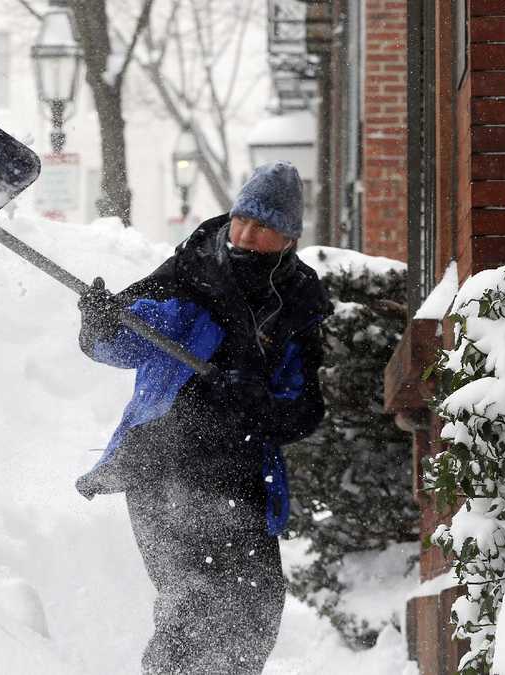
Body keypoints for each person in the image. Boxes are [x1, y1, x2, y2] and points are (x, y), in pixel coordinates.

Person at [74, 161, 328, 674]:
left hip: (240, 473)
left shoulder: (296, 302)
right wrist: (100, 323)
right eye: (242, 220)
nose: (246, 234)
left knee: (255, 609)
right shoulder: (193, 271)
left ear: (288, 238)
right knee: (192, 600)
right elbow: (128, 337)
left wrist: (255, 399)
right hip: (161, 460)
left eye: (263, 227)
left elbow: (304, 411)